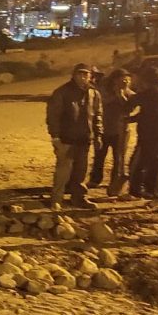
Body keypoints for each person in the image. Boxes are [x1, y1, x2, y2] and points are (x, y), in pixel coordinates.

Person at [45, 63, 103, 210]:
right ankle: (57, 199)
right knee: (63, 172)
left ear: (90, 76)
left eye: (86, 74)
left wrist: (98, 135)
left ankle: (79, 198)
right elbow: (53, 116)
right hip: (66, 139)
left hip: (85, 139)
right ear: (74, 75)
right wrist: (55, 137)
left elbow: (98, 115)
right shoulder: (62, 92)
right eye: (80, 74)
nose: (83, 77)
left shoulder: (94, 93)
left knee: (80, 171)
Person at [125, 66, 158, 200]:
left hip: (147, 132)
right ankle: (152, 189)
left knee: (139, 162)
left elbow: (131, 105)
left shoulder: (147, 93)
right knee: (156, 161)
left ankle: (135, 190)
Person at [89, 68, 133, 195]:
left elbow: (128, 109)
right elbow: (100, 103)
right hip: (104, 129)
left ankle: (115, 183)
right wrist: (115, 95)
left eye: (127, 79)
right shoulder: (104, 91)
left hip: (121, 131)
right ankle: (95, 179)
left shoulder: (128, 93)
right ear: (114, 80)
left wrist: (121, 95)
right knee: (99, 155)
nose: (125, 81)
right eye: (122, 79)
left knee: (118, 159)